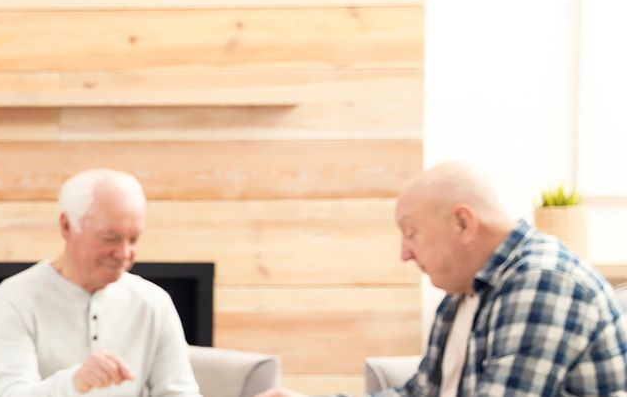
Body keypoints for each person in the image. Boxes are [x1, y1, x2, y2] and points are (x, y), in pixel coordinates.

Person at [259, 162, 627, 397]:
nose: (404, 253)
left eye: (411, 233)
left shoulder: (543, 282)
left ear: (463, 223)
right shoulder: (465, 292)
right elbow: (421, 393)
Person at [0, 169, 201, 397]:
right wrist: (75, 382)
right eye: (110, 238)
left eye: (134, 239)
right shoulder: (16, 296)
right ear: (66, 226)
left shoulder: (153, 302)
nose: (124, 253)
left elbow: (180, 392)